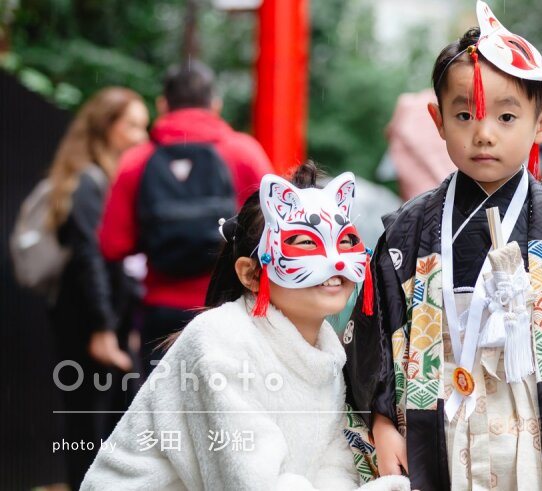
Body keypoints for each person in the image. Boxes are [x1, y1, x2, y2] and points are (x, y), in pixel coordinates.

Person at [344, 1, 542, 491]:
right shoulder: (407, 232)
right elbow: (373, 344)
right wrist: (382, 422)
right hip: (439, 423)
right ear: (437, 120)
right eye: (464, 114)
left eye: (507, 116)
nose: (484, 134)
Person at [82, 164, 409, 491]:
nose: (335, 260)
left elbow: (331, 467)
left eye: (346, 240)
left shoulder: (329, 355)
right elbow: (250, 483)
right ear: (251, 274)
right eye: (305, 243)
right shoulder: (219, 341)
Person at [98, 60, 272, 376]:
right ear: (215, 105)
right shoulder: (244, 153)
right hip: (229, 306)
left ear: (163, 105)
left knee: (164, 401)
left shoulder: (137, 160)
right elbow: (274, 228)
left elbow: (112, 244)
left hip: (162, 312)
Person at [45, 86, 149, 489]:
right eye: (133, 125)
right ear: (107, 126)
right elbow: (90, 259)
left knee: (100, 421)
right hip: (87, 321)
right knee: (88, 424)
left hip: (104, 318)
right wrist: (103, 328)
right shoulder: (88, 182)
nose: (141, 136)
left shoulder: (107, 178)